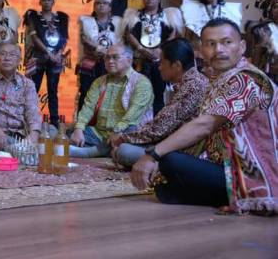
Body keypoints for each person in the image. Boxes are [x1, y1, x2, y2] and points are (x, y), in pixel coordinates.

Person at [131, 18, 277, 215]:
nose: (219, 50)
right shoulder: (220, 80)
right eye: (211, 44)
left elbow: (205, 125)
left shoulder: (246, 79)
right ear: (201, 50)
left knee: (170, 161)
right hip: (226, 165)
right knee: (165, 181)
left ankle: (241, 195)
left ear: (241, 46)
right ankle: (224, 193)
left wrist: (153, 154)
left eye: (227, 42)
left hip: (257, 174)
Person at [108, 38, 208, 168]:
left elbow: (160, 128)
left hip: (182, 151)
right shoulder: (192, 82)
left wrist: (124, 138)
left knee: (124, 151)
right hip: (163, 139)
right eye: (107, 58)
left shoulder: (193, 86)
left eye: (162, 62)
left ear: (176, 65)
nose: (159, 67)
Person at [69, 44, 154, 158]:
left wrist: (117, 130)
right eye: (107, 58)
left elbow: (132, 116)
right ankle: (103, 150)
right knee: (69, 134)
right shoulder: (99, 81)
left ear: (129, 60)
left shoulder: (142, 83)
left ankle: (92, 152)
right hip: (99, 134)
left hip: (125, 132)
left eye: (115, 57)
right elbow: (88, 107)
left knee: (129, 134)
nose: (110, 61)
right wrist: (79, 128)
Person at [23, 0, 70, 128]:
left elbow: (64, 38)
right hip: (38, 57)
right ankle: (30, 120)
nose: (46, 1)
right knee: (32, 89)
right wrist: (48, 53)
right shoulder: (33, 15)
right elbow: (34, 37)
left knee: (53, 90)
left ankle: (55, 122)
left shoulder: (63, 17)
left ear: (53, 0)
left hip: (55, 58)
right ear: (40, 0)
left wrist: (57, 53)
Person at [77, 0, 125, 110]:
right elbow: (85, 39)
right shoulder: (86, 21)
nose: (101, 6)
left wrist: (107, 53)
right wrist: (97, 49)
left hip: (110, 63)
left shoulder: (118, 23)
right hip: (91, 64)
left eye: (104, 4)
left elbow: (120, 42)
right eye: (98, 4)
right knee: (87, 94)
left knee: (109, 96)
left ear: (110, 7)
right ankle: (83, 126)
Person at [0, 43, 43, 150]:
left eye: (12, 55)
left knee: (49, 132)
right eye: (2, 54)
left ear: (19, 60)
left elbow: (32, 111)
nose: (7, 58)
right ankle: (21, 148)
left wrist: (34, 134)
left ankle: (21, 146)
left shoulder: (27, 84)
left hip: (19, 132)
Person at [248, 0, 278, 84]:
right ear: (271, 10)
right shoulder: (265, 29)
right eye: (275, 6)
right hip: (271, 79)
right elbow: (257, 56)